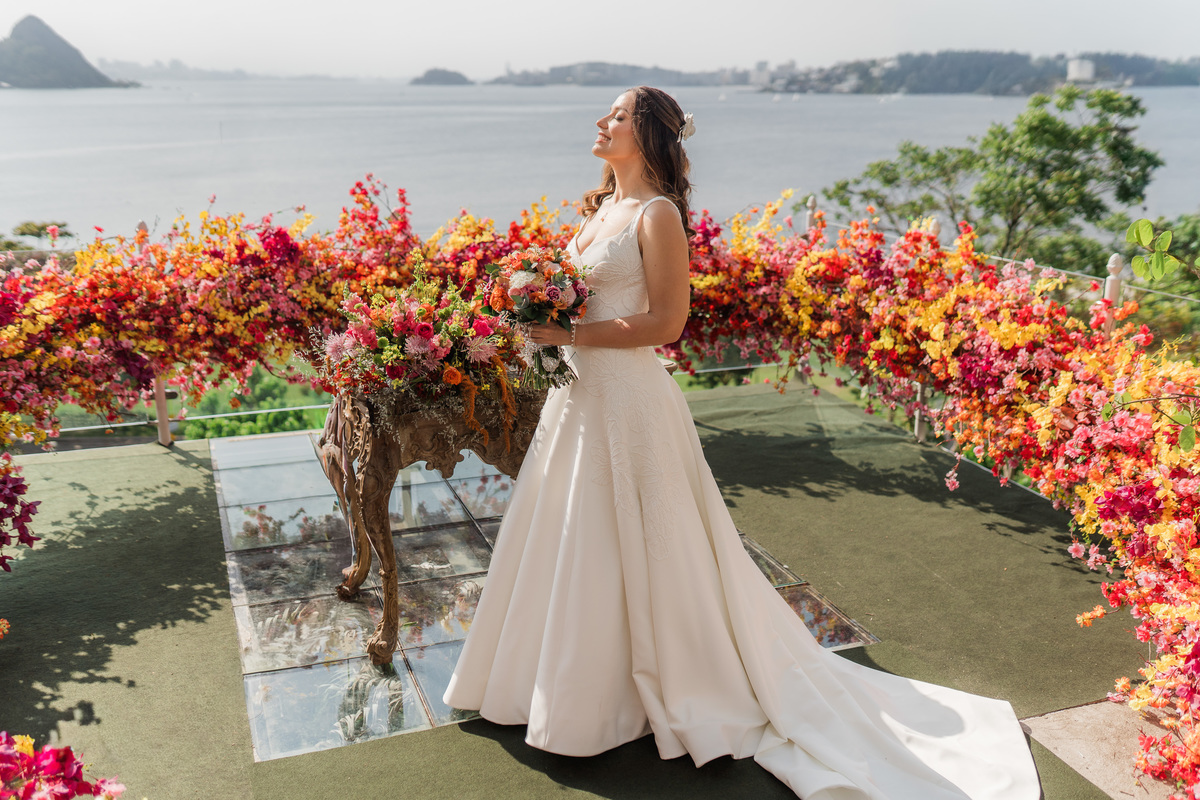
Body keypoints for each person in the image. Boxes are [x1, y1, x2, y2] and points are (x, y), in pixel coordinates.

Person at [444, 86, 1040, 799]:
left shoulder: (658, 215)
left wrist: (563, 331)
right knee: (575, 534)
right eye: (605, 114)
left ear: (651, 137)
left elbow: (667, 325)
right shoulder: (602, 209)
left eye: (617, 116)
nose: (600, 123)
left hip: (628, 402)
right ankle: (565, 684)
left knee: (648, 543)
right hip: (578, 397)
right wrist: (539, 313)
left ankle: (650, 690)